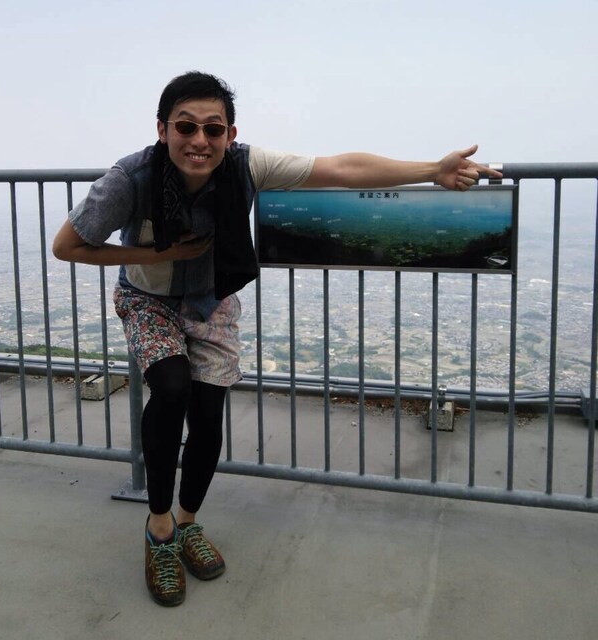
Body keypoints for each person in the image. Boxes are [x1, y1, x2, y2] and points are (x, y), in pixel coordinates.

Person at [52, 70, 501, 607]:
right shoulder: (130, 179)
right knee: (171, 388)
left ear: (230, 133)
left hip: (211, 298)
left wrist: (432, 170)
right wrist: (154, 254)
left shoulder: (247, 165)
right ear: (162, 129)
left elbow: (341, 168)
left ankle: (188, 522)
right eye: (186, 126)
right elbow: (67, 246)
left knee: (208, 413)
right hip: (148, 298)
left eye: (213, 129)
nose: (199, 140)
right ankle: (160, 529)